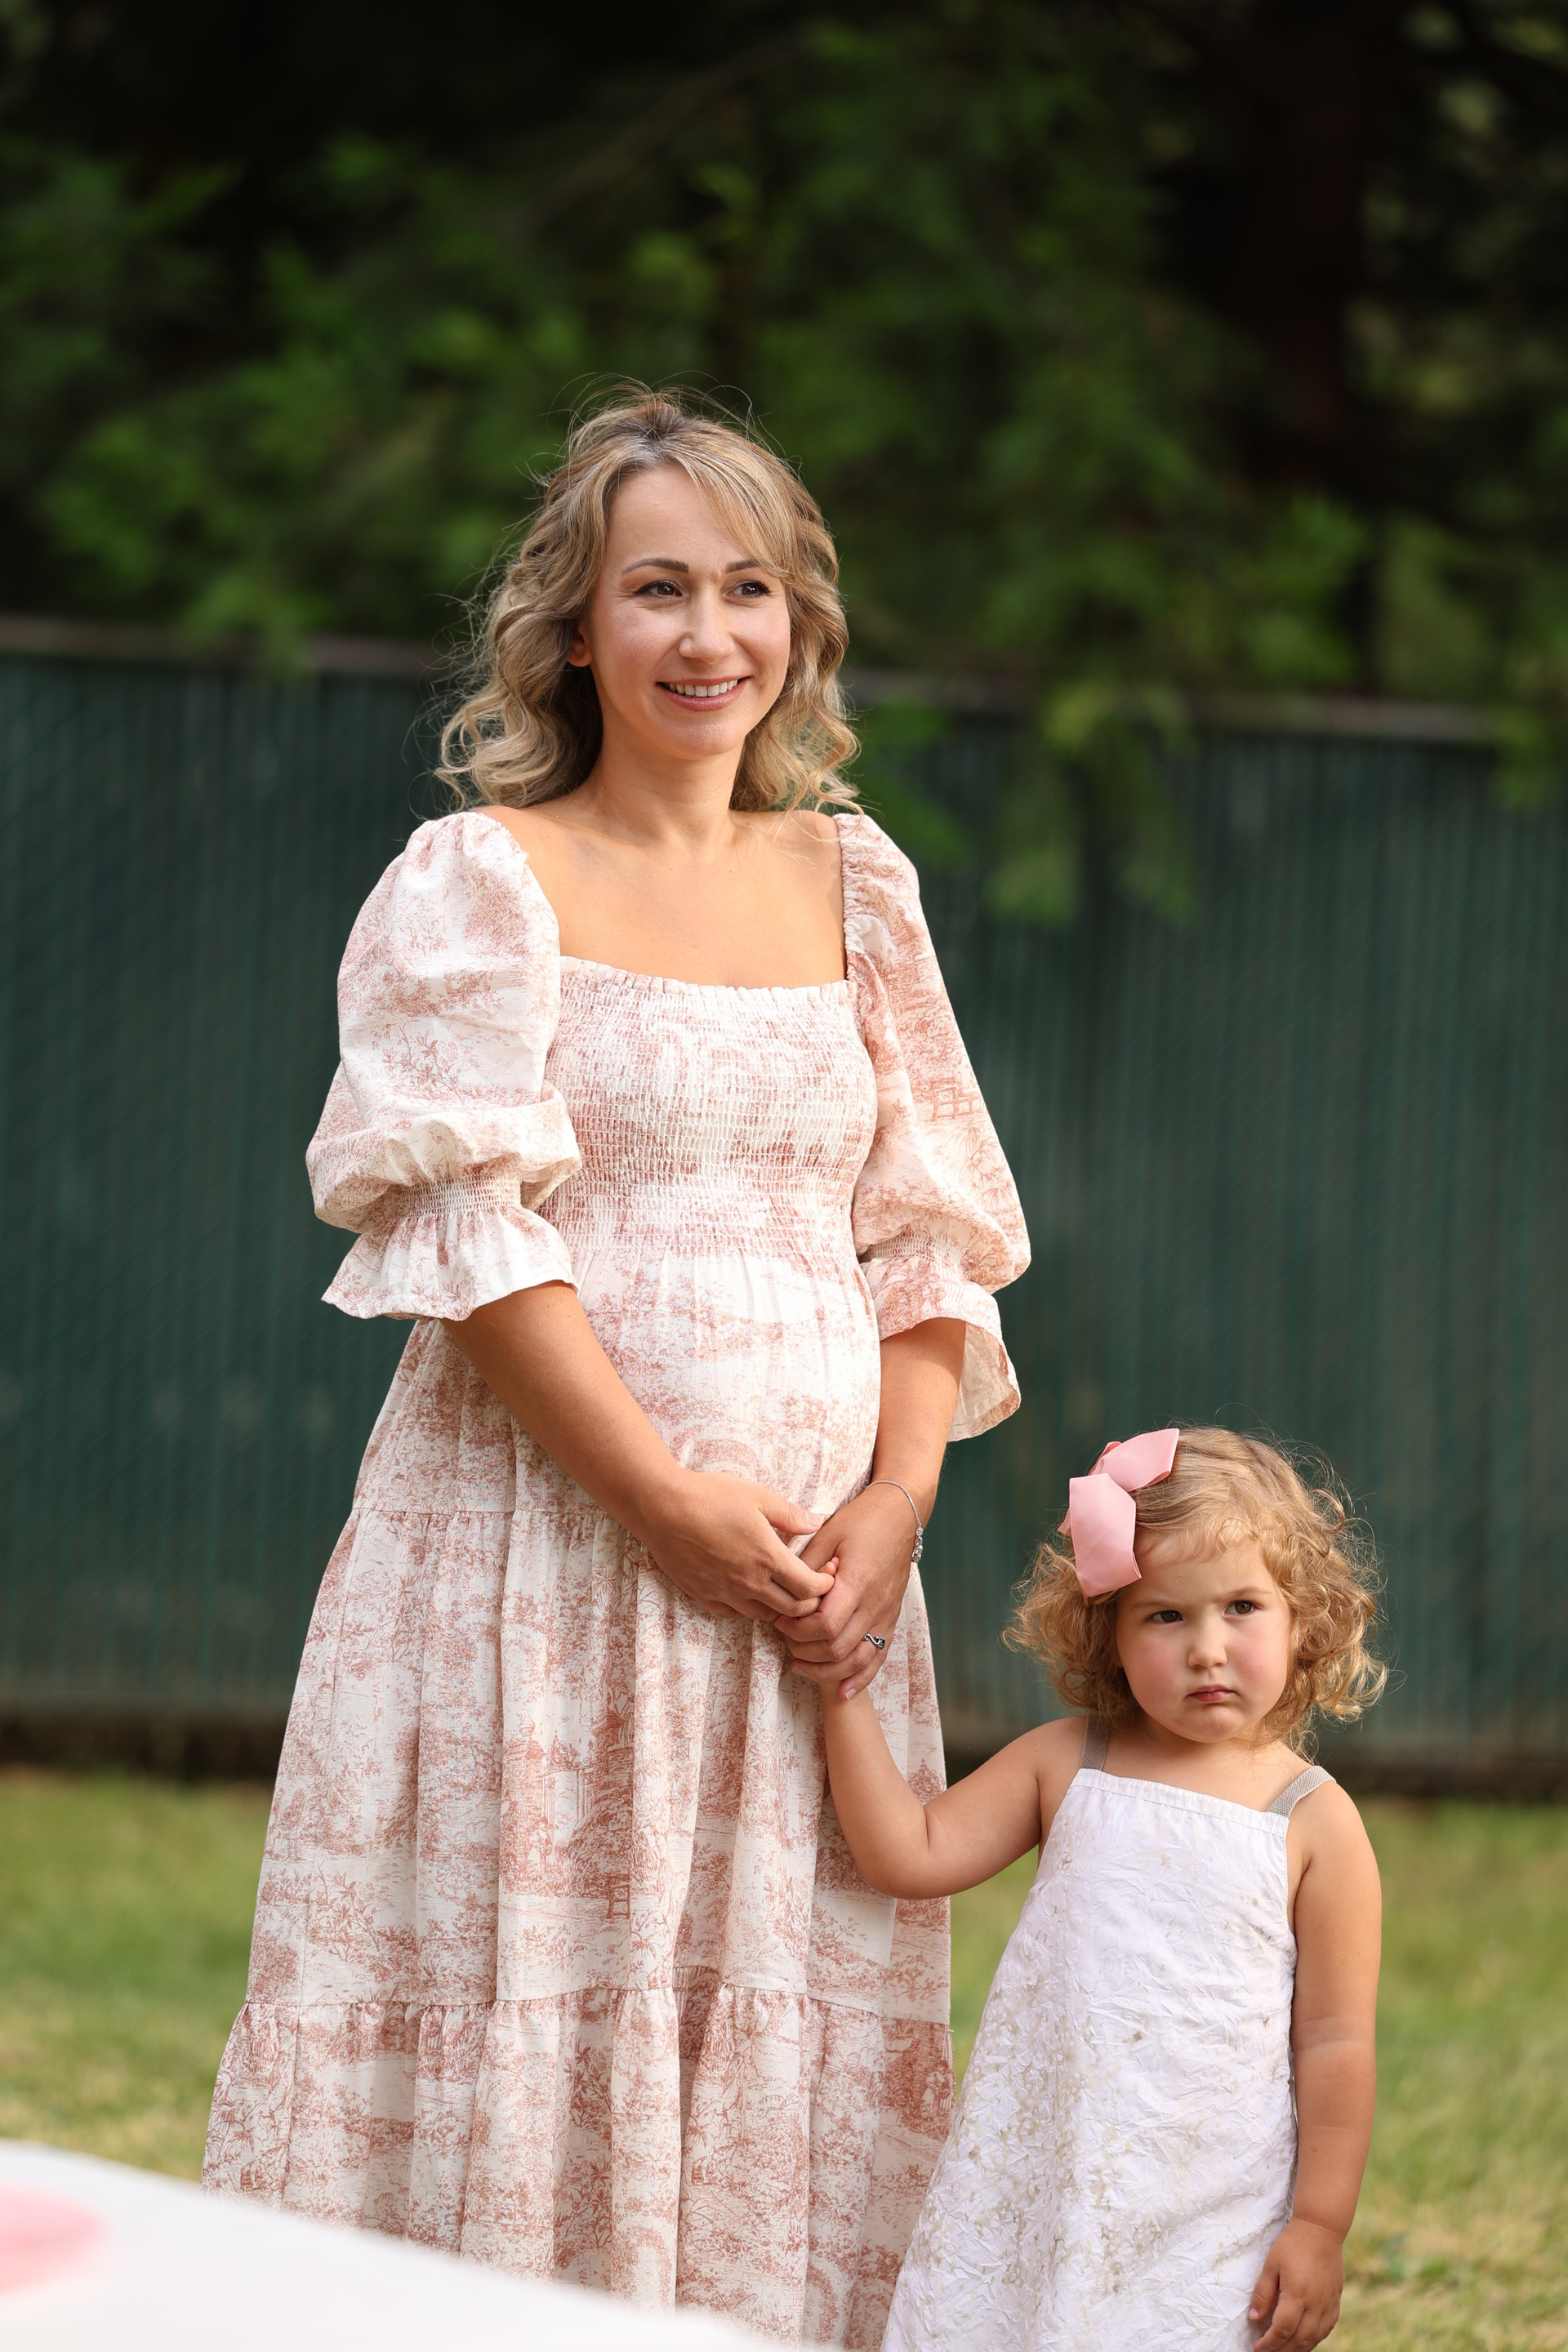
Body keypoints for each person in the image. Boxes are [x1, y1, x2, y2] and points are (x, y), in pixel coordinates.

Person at [203, 391, 1031, 2351]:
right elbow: (469, 1234)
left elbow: (930, 1235)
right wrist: (659, 1498)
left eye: (749, 588)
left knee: (774, 1995)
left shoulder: (860, 886)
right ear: (573, 628)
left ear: (800, 624)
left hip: (815, 1595)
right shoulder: (478, 878)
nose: (706, 633)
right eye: (655, 588)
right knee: (526, 1986)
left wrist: (897, 1504)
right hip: (540, 1566)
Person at [816, 1425, 1386, 2352]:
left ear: (1302, 1619)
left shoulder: (1315, 1823)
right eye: (1165, 1616)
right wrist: (841, 1691)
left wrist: (1319, 2227)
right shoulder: (1068, 1762)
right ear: (1107, 1633)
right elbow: (908, 1854)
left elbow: (1334, 2042)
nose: (1207, 1648)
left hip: (1208, 2212)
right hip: (1036, 2176)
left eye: (1242, 1606)